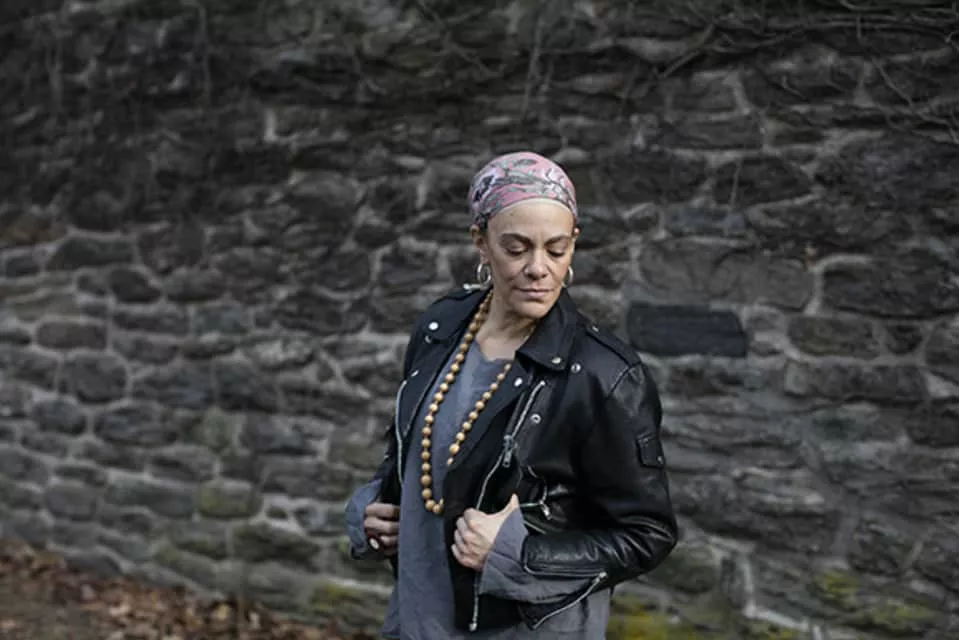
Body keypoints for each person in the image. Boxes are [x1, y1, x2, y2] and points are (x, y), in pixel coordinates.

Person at [344, 151, 678, 639]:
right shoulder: (440, 328)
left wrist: (519, 554)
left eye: (556, 249)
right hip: (417, 617)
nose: (538, 268)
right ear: (480, 241)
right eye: (517, 248)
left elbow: (648, 534)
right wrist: (376, 507)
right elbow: (414, 450)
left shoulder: (604, 375)